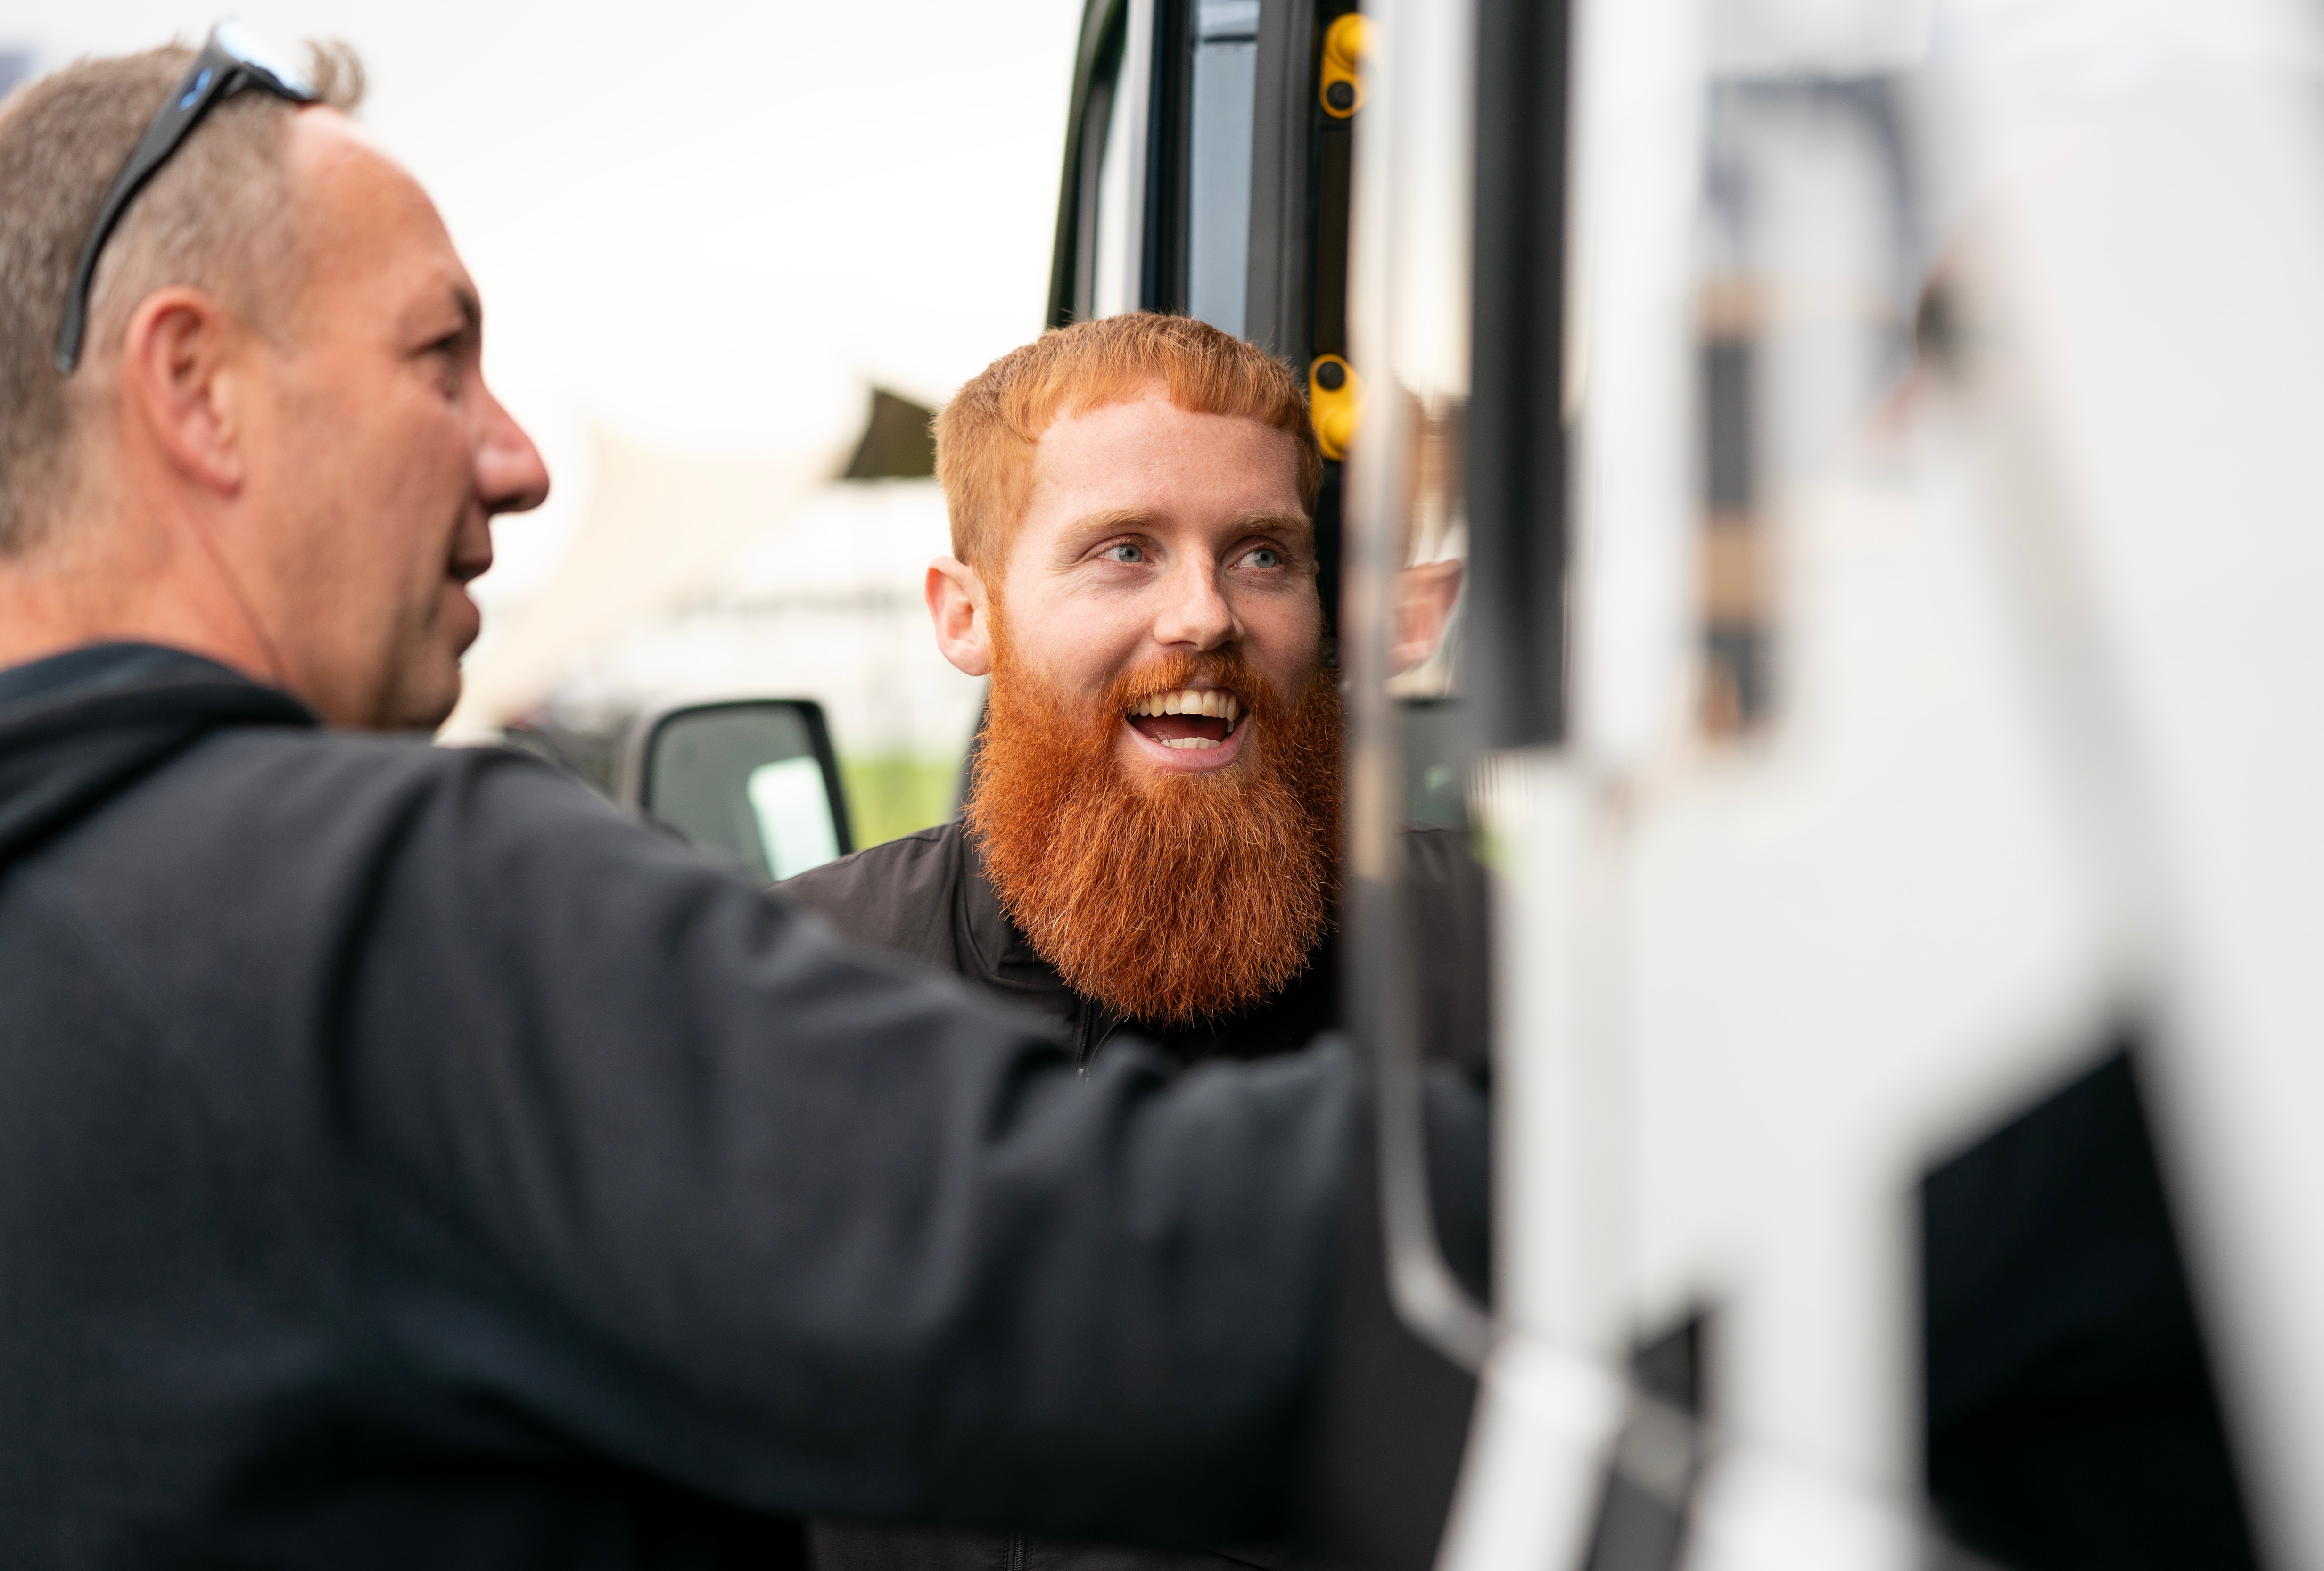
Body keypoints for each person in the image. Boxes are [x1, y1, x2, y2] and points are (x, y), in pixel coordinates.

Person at [0, 38, 1475, 1566]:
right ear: (194, 388)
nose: (518, 463)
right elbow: (1123, 1270)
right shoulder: (399, 903)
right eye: (440, 359)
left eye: (1263, 554)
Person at [780, 317, 1490, 1571]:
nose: (1205, 616)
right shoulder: (803, 992)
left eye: (1265, 555)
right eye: (1124, 552)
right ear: (967, 615)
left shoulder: (1495, 970)